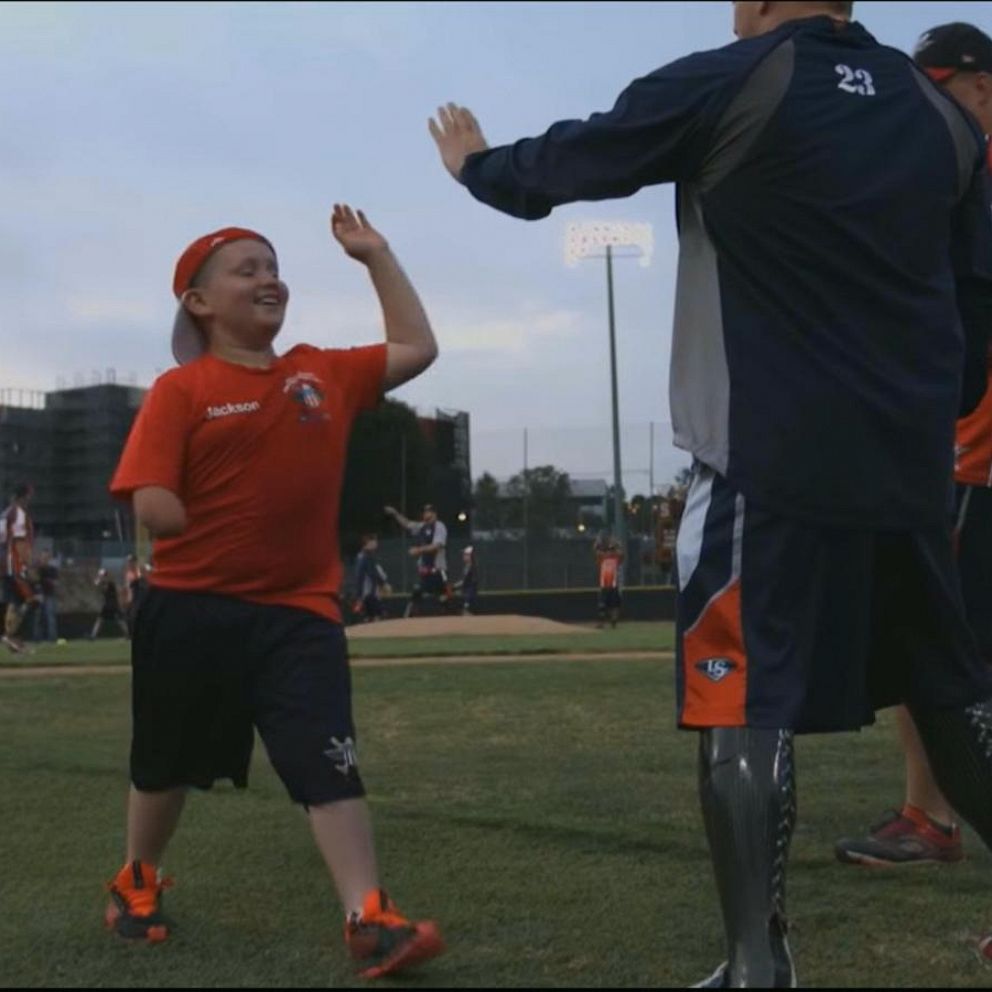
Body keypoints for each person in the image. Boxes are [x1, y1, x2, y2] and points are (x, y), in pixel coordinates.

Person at [428, 1, 992, 986]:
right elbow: (972, 297)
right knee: (946, 689)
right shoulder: (938, 115)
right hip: (906, 466)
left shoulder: (736, 74)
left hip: (762, 454)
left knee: (738, 692)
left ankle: (753, 960)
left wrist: (479, 164)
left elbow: (576, 161)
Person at [104, 204, 444, 980]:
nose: (270, 278)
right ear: (198, 301)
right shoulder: (182, 388)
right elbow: (147, 487)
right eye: (246, 269)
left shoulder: (319, 370)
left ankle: (369, 917)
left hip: (299, 612)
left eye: (274, 266)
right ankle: (136, 882)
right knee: (165, 765)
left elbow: (417, 347)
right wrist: (160, 506)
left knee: (329, 759)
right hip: (190, 608)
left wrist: (376, 256)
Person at [834, 23, 992, 873]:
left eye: (946, 86)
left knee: (935, 645)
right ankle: (927, 811)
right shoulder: (953, 158)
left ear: (984, 85)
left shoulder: (969, 164)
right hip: (957, 448)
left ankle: (931, 815)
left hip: (975, 460)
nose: (933, 104)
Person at [383, 504, 449, 617]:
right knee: (418, 592)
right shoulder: (423, 526)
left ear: (434, 514)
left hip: (437, 569)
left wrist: (418, 550)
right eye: (425, 512)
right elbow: (407, 524)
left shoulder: (439, 526)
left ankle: (450, 618)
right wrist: (395, 513)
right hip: (425, 569)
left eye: (429, 512)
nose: (426, 514)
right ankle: (411, 618)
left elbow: (437, 546)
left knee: (442, 596)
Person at [1, 483, 37, 654]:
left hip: (4, 563)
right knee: (28, 600)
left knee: (14, 601)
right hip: (14, 563)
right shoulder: (19, 514)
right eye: (29, 496)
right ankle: (10, 635)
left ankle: (14, 641)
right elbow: (20, 541)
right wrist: (28, 565)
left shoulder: (5, 514)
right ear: (23, 496)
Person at [352, 534, 391, 623]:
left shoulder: (362, 555)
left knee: (370, 616)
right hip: (369, 593)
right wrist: (383, 584)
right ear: (368, 543)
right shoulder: (366, 557)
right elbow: (372, 573)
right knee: (379, 615)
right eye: (374, 541)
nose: (376, 543)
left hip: (365, 593)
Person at [593, 532, 623, 629]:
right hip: (604, 585)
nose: (610, 552)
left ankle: (613, 622)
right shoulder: (602, 558)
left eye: (612, 550)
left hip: (613, 585)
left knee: (614, 605)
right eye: (609, 550)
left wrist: (616, 544)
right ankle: (601, 623)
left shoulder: (616, 558)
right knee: (602, 605)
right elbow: (596, 551)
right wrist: (597, 543)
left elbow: (621, 553)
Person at [90, 567, 129, 640]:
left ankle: (127, 635)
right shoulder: (104, 582)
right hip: (109, 604)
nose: (102, 576)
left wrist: (99, 580)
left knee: (119, 620)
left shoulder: (109, 583)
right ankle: (93, 635)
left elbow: (101, 585)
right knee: (100, 620)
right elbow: (95, 584)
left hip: (112, 604)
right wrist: (98, 580)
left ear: (106, 575)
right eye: (101, 575)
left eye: (103, 575)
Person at [32, 550, 60, 643]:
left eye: (47, 557)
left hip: (49, 595)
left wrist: (49, 582)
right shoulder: (37, 569)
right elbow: (34, 581)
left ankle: (52, 638)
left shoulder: (52, 570)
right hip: (39, 595)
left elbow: (56, 583)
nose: (45, 559)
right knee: (38, 617)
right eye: (43, 557)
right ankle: (37, 638)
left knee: (50, 617)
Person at [452, 545, 479, 615]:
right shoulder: (466, 566)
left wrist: (454, 586)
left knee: (467, 593)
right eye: (464, 554)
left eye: (466, 554)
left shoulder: (472, 567)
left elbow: (468, 582)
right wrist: (454, 587)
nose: (463, 556)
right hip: (465, 591)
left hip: (469, 594)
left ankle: (466, 610)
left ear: (471, 556)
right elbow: (463, 581)